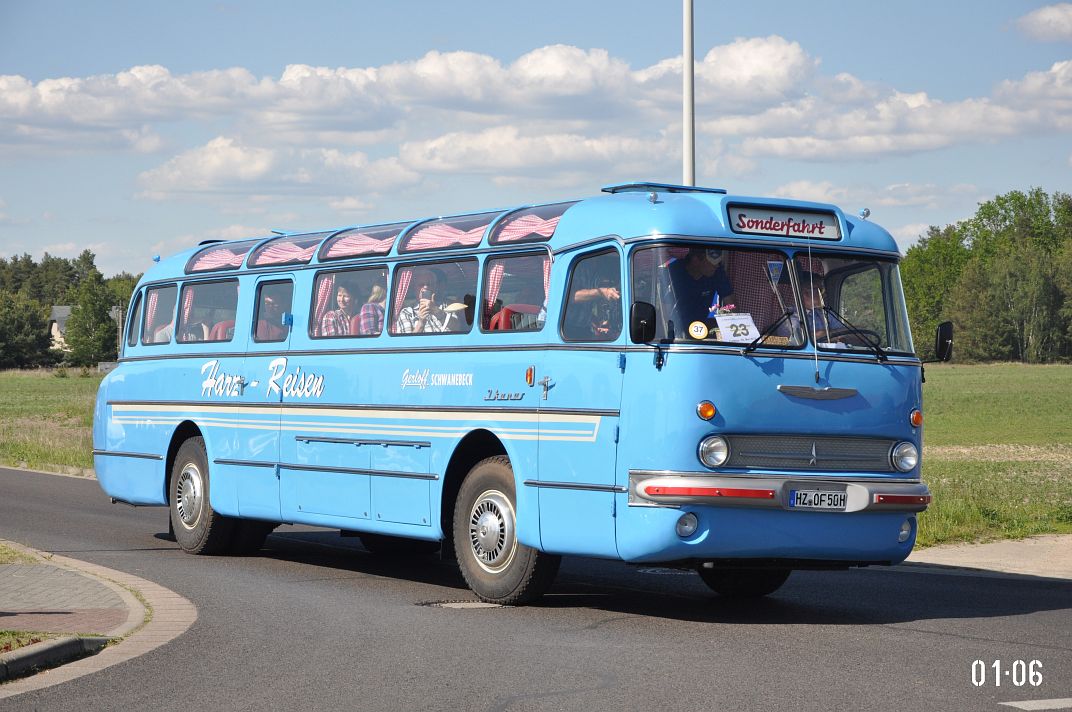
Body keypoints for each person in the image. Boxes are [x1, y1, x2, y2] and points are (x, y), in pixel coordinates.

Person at [663, 247, 736, 324]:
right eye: (713, 263)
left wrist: (733, 323)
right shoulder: (673, 271)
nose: (716, 266)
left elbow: (731, 304)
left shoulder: (718, 272)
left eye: (718, 262)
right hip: (677, 325)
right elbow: (664, 308)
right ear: (695, 260)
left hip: (704, 325)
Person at [565, 254, 621, 339]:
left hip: (582, 327)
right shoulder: (576, 264)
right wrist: (602, 292)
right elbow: (570, 296)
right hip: (565, 329)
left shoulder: (594, 269)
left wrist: (591, 318)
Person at [395, 269, 451, 333]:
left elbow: (456, 328)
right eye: (421, 284)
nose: (425, 287)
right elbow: (406, 342)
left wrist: (436, 311)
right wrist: (421, 322)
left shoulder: (446, 306)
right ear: (415, 288)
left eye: (429, 284)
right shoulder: (407, 312)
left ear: (435, 287)